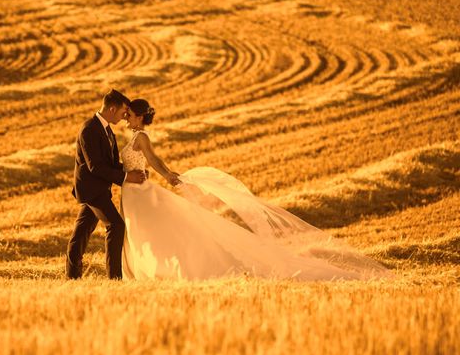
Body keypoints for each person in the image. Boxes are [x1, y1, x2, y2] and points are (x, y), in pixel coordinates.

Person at [119, 98, 392, 281]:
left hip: (140, 191)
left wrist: (169, 176)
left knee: (152, 229)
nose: (127, 118)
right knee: (143, 230)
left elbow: (153, 160)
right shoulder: (135, 137)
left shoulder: (141, 136)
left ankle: (156, 269)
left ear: (141, 116)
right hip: (132, 191)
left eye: (130, 114)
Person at [66, 89, 146, 280]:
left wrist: (133, 172)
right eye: (123, 111)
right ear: (111, 108)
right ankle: (115, 278)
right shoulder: (89, 129)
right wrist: (127, 177)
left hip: (99, 189)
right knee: (116, 225)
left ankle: (72, 277)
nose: (125, 115)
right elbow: (95, 167)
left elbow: (109, 164)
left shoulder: (107, 130)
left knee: (81, 234)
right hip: (92, 190)